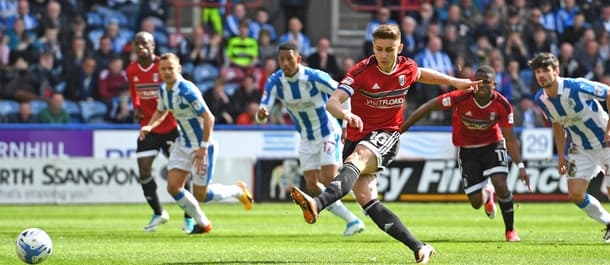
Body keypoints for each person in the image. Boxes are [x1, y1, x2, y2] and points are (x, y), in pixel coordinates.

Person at [289, 24, 478, 264]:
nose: (384, 55)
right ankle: (419, 247)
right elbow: (333, 103)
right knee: (367, 199)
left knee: (355, 159)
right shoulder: (360, 72)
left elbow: (421, 73)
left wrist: (455, 81)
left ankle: (317, 204)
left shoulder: (406, 67)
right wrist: (346, 115)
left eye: (389, 50)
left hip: (386, 134)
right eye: (379, 49)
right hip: (358, 135)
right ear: (373, 48)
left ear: (399, 48)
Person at [401, 65, 531, 242]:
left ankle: (510, 231)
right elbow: (428, 107)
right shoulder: (461, 97)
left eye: (486, 82)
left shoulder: (503, 106)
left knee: (500, 183)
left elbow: (510, 139)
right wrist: (403, 128)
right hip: (467, 150)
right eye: (478, 81)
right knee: (476, 203)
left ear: (494, 84)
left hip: (492, 145)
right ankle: (486, 194)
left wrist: (521, 166)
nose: (482, 85)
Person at [256, 41, 365, 236]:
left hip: (328, 132)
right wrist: (262, 114)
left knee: (328, 178)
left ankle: (365, 199)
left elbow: (345, 95)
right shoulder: (275, 82)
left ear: (298, 58)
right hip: (306, 137)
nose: (285, 63)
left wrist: (346, 122)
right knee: (312, 185)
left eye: (289, 58)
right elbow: (261, 111)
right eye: (282, 60)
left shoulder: (314, 77)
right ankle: (352, 220)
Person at [139, 52, 253, 234]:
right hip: (182, 143)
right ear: (159, 71)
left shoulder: (187, 90)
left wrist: (203, 147)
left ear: (179, 69)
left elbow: (209, 118)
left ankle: (238, 190)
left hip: (202, 147)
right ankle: (203, 223)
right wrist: (149, 126)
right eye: (163, 69)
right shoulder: (163, 90)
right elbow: (161, 111)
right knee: (173, 187)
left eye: (170, 68)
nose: (167, 72)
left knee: (202, 194)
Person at [529, 52, 610, 242]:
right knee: (575, 194)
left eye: (546, 71)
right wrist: (561, 154)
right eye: (538, 71)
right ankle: (608, 222)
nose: (541, 75)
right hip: (580, 148)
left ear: (556, 71)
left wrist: (609, 129)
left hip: (606, 143)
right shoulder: (541, 99)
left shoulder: (576, 86)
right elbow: (557, 124)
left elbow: (609, 93)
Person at [127, 32, 193, 232]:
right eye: (137, 44)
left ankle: (189, 216)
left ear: (153, 45)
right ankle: (158, 212)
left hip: (171, 127)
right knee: (144, 170)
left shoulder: (163, 66)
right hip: (148, 127)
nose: (140, 47)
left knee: (180, 175)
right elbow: (134, 94)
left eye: (144, 43)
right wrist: (136, 108)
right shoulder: (131, 70)